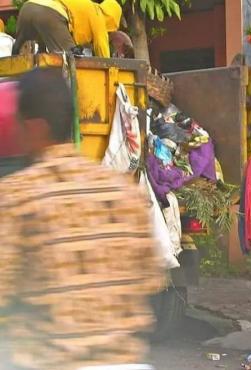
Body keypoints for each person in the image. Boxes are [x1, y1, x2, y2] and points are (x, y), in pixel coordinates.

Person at [0, 68, 162, 370]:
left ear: (34, 127)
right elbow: (151, 279)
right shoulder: (123, 192)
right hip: (128, 363)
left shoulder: (18, 196)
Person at [12, 0, 121, 57]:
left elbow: (46, 31)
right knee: (72, 57)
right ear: (112, 18)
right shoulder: (98, 14)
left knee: (21, 56)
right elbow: (101, 45)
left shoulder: (84, 6)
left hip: (27, 9)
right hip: (48, 13)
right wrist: (107, 67)